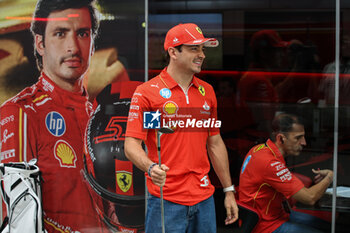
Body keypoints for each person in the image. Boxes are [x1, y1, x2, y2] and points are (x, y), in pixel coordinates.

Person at [0, 0, 107, 232]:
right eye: (60, 33)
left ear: (92, 42)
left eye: (82, 33)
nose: (73, 47)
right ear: (40, 43)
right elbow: (15, 217)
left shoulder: (100, 119)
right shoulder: (21, 112)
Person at [124, 23, 238, 233]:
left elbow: (214, 142)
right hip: (165, 199)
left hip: (204, 197)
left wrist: (229, 190)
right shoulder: (148, 93)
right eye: (194, 49)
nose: (201, 55)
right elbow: (132, 144)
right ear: (173, 52)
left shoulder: (207, 92)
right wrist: (150, 167)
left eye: (202, 49)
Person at [239, 113, 333, 233]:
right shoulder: (270, 163)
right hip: (266, 226)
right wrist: (329, 177)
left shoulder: (260, 149)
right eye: (298, 138)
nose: (304, 142)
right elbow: (310, 198)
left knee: (329, 226)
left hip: (278, 216)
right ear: (281, 138)